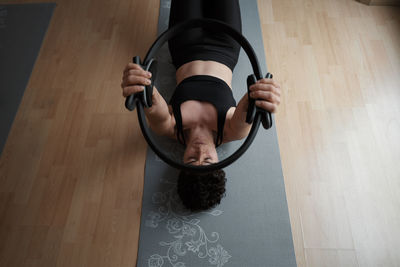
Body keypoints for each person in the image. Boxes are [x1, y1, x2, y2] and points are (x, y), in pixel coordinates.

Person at [121, 0, 281, 211]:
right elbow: (251, 100)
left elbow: (152, 102)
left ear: (181, 163)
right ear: (217, 161)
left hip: (185, 44)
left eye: (191, 160)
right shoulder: (232, 130)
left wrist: (139, 83)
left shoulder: (169, 127)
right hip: (225, 45)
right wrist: (264, 94)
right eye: (206, 160)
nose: (199, 152)